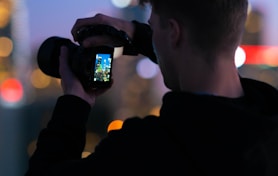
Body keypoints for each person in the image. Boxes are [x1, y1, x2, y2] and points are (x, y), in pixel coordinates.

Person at [25, 0, 278, 175]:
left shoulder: (141, 153)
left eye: (153, 27)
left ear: (173, 33)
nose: (151, 35)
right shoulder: (267, 125)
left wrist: (74, 104)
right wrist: (138, 34)